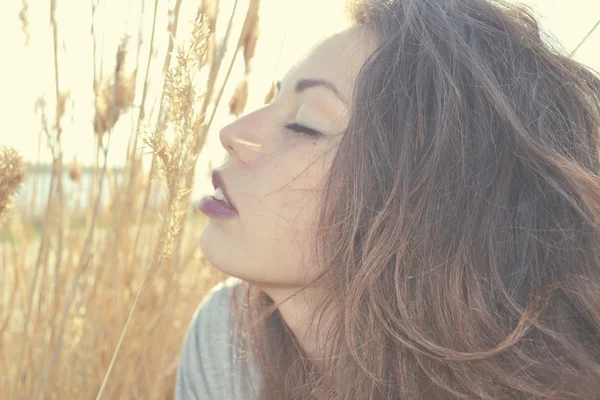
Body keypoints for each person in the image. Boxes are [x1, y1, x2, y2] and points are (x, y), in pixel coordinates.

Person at [176, 0, 600, 398]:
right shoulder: (228, 342)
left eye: (305, 124)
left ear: (426, 208)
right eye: (273, 99)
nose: (232, 134)